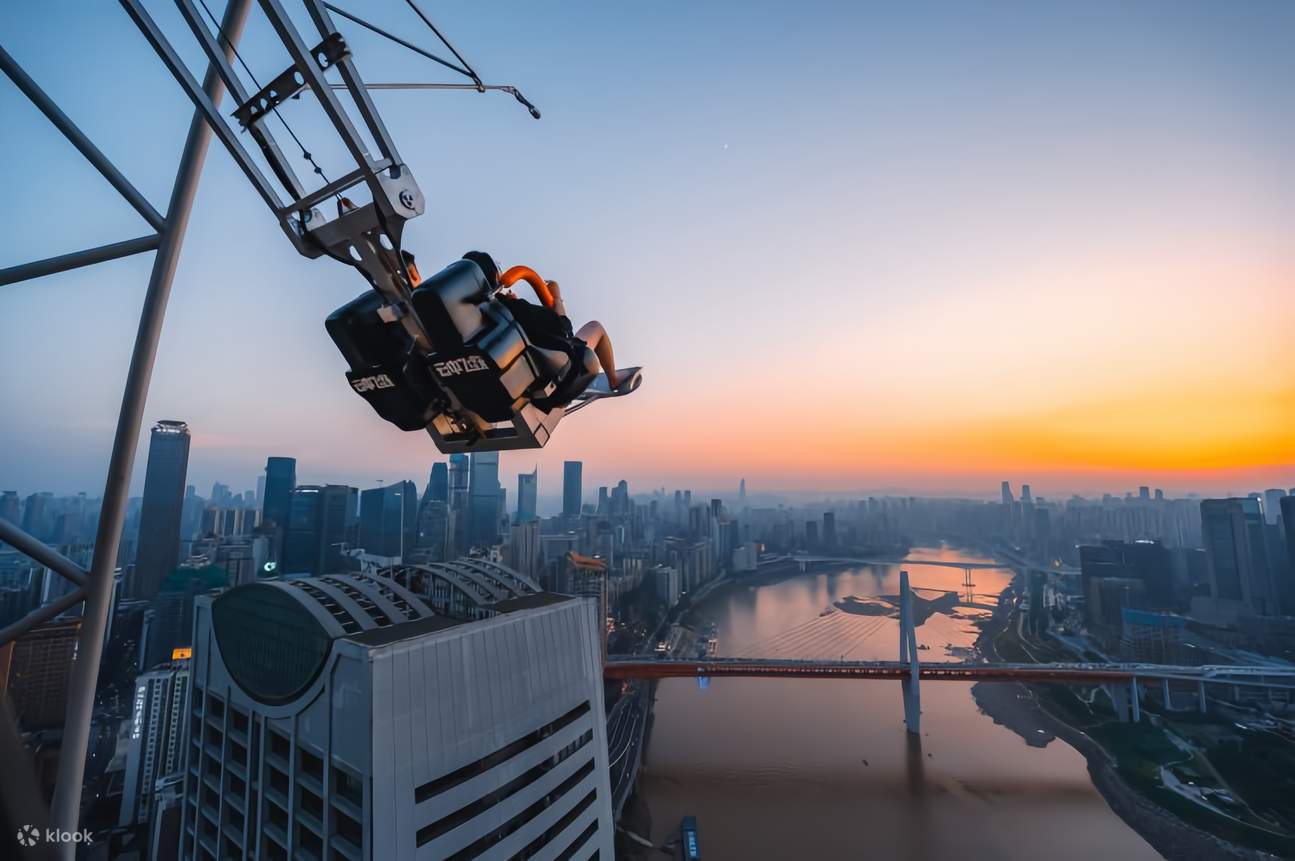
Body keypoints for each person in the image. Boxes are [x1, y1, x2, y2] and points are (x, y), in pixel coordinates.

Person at [461, 250, 633, 393]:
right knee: (595, 327)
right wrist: (557, 299)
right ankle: (613, 379)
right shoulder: (508, 308)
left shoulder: (466, 319)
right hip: (553, 376)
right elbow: (563, 330)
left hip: (489, 385)